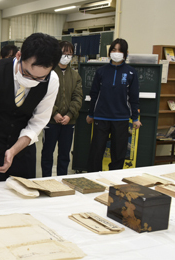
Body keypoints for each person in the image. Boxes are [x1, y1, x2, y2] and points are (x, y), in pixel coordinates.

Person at [0, 33, 61, 182]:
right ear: (19, 56)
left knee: (22, 198)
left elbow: (38, 122)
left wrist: (13, 150)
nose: (32, 81)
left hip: (22, 151)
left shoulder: (52, 81)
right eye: (27, 73)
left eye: (40, 78)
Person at [87, 38, 141, 172]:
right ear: (110, 52)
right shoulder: (101, 71)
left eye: (119, 50)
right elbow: (94, 94)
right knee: (96, 151)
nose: (116, 53)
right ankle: (93, 178)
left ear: (125, 53)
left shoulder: (131, 72)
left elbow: (134, 97)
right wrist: (91, 113)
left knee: (118, 153)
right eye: (114, 50)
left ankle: (114, 179)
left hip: (121, 118)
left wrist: (135, 118)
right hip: (101, 117)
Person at [41, 41, 83, 177]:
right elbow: (43, 95)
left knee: (64, 155)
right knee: (47, 153)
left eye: (69, 54)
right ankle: (46, 181)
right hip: (51, 121)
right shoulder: (48, 73)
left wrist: (70, 114)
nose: (66, 56)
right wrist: (54, 113)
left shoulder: (75, 76)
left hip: (68, 122)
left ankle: (61, 180)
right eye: (64, 53)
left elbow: (78, 97)